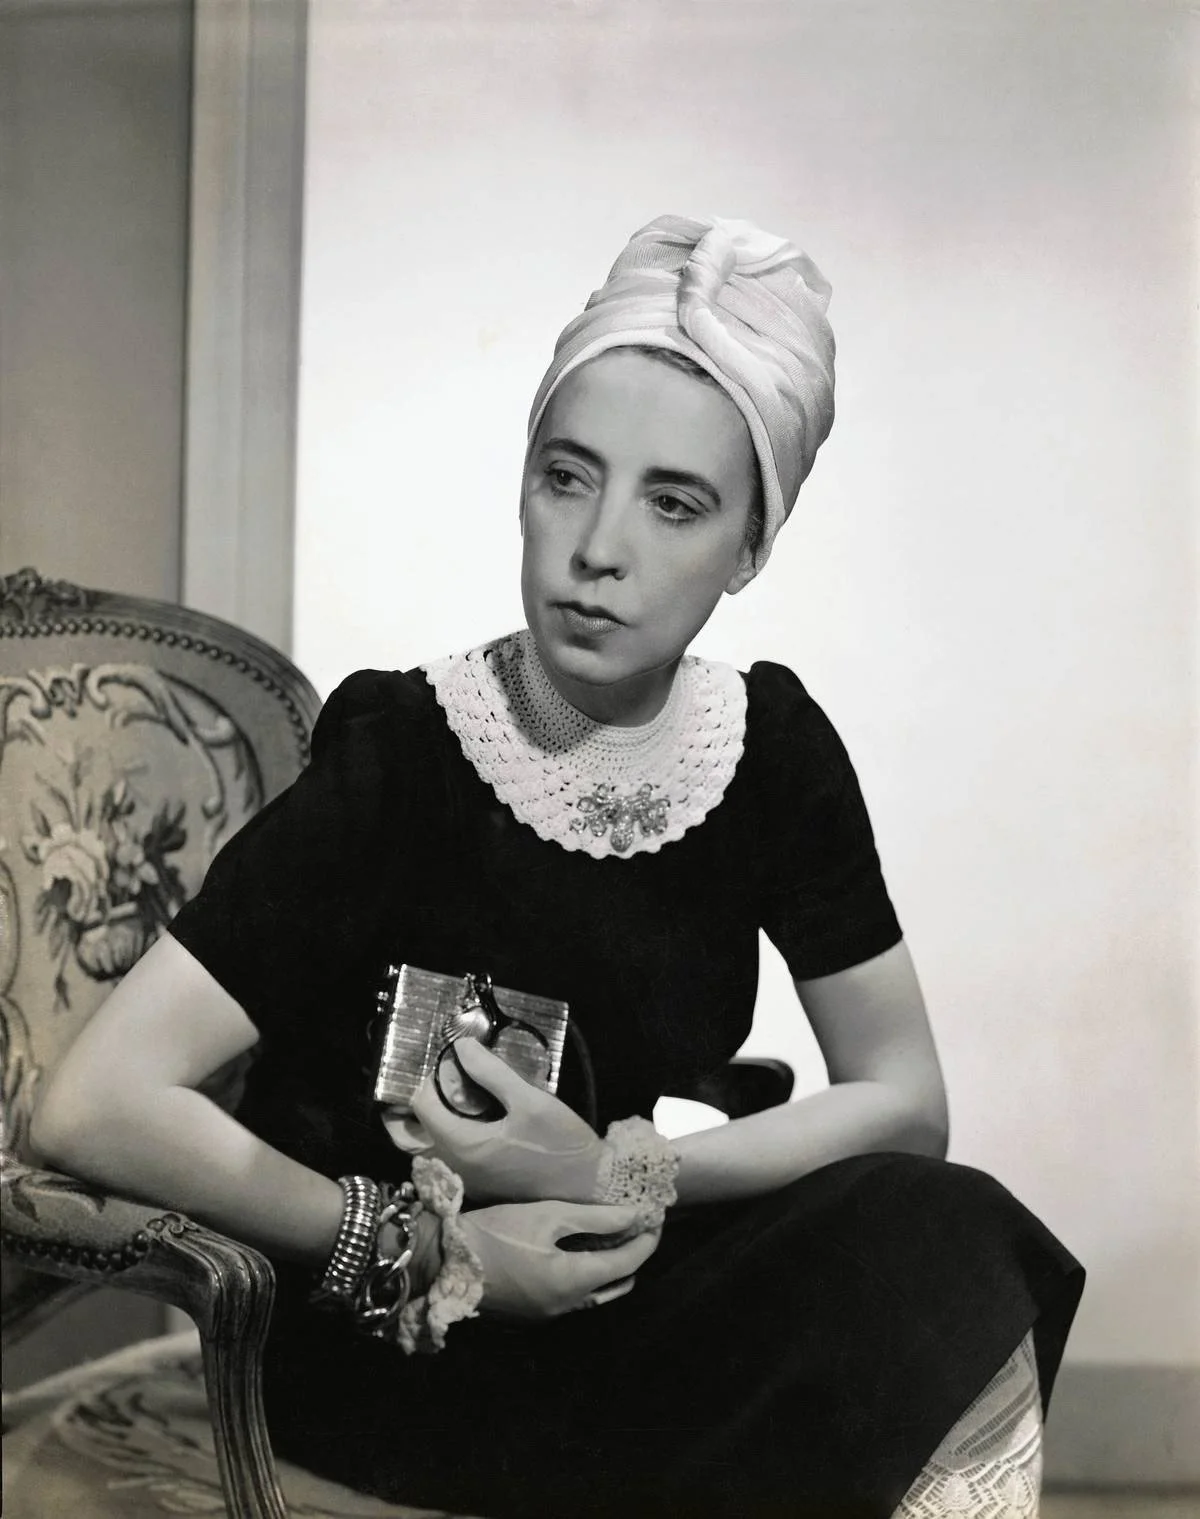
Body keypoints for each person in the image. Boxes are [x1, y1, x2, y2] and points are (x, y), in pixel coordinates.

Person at [32, 214, 1084, 1518]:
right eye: (567, 477)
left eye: (674, 503)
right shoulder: (402, 754)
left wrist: (612, 1172)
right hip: (410, 1339)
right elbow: (96, 1104)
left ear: (749, 549)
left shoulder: (772, 752)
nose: (598, 548)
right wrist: (412, 1244)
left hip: (636, 1283)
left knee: (947, 1233)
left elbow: (906, 1102)